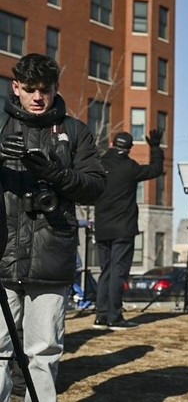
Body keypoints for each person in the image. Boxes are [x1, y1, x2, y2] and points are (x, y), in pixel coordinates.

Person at [0, 53, 105, 401]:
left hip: (52, 257)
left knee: (43, 353)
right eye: (29, 89)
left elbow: (95, 186)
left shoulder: (75, 132)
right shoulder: (0, 125)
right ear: (16, 87)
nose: (37, 97)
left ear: (56, 88)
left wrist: (56, 174)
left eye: (44, 89)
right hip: (2, 254)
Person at [92, 129, 164, 330]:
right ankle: (115, 317)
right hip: (123, 229)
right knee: (118, 272)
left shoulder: (99, 165)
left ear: (113, 144)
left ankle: (101, 316)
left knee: (105, 271)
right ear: (129, 148)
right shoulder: (130, 168)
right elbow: (156, 169)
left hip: (102, 227)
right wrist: (155, 148)